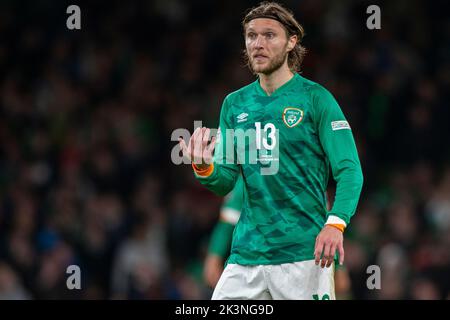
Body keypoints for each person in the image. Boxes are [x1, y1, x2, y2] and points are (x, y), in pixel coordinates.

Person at [179, 1, 363, 300]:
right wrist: (204, 166)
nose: (258, 44)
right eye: (251, 36)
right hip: (246, 256)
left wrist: (335, 223)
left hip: (304, 255)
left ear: (292, 42)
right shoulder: (234, 105)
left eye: (269, 35)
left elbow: (350, 171)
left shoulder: (316, 99)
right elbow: (226, 180)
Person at [203, 176, 353, 300]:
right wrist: (214, 256)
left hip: (299, 265)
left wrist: (339, 267)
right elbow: (229, 220)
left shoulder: (311, 180)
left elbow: (326, 230)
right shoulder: (252, 175)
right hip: (254, 264)